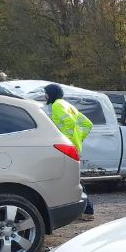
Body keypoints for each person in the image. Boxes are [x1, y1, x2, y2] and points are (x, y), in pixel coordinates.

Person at [43, 83, 95, 220]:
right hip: (73, 148)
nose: (45, 96)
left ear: (52, 94)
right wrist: (77, 140)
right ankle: (85, 210)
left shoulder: (57, 105)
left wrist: (64, 139)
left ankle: (86, 210)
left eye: (46, 93)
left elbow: (69, 123)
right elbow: (87, 124)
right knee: (72, 179)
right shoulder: (68, 105)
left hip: (65, 149)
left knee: (71, 180)